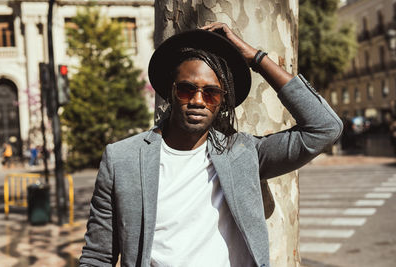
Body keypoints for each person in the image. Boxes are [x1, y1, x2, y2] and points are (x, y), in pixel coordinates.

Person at [79, 23, 343, 267]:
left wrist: (256, 59)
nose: (197, 100)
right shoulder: (122, 159)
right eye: (186, 89)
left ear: (222, 100)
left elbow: (325, 128)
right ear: (171, 92)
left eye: (211, 93)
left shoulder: (242, 153)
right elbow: (97, 256)